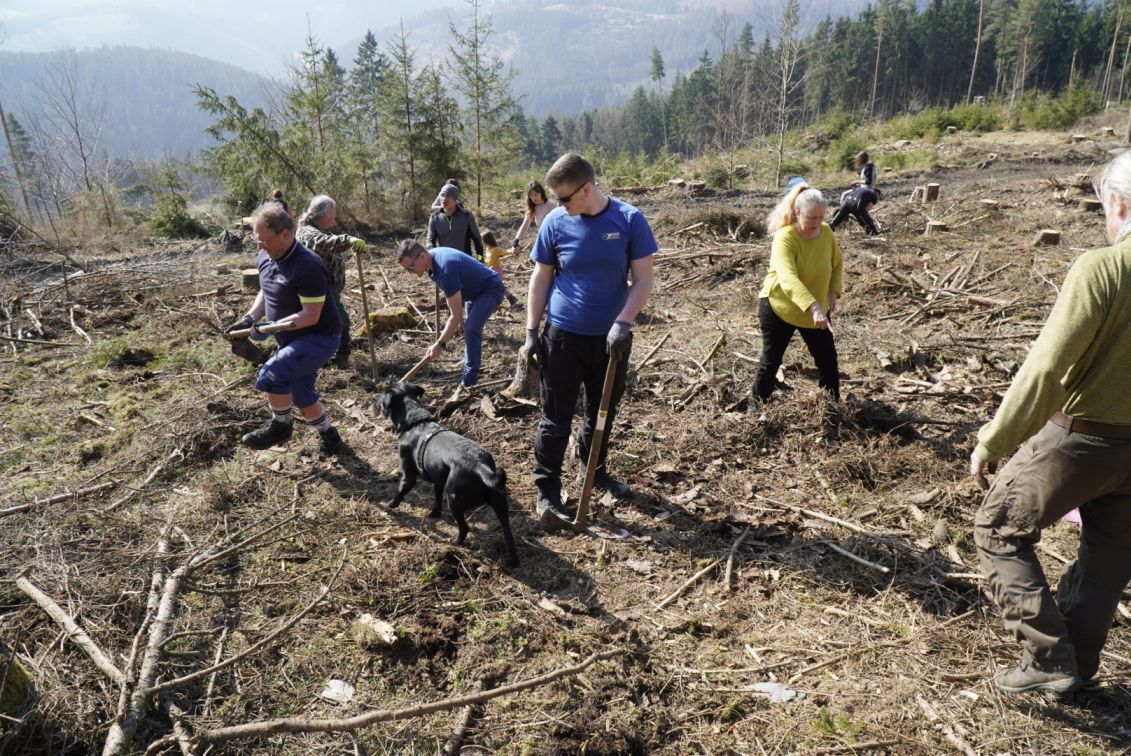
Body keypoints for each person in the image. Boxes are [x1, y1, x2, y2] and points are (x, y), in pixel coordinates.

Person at [969, 150, 1131, 697]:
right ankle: (1077, 666)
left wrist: (996, 438)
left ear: (1118, 202)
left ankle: (1046, 658)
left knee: (997, 528)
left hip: (1081, 438)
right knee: (1110, 554)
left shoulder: (1103, 268)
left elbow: (1046, 366)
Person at [524, 152, 657, 531]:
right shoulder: (554, 221)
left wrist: (623, 322)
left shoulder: (629, 220)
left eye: (564, 198)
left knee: (601, 413)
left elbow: (643, 279)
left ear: (586, 189)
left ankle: (593, 472)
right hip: (563, 336)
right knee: (555, 417)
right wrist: (532, 331)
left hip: (611, 341)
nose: (558, 205)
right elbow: (541, 277)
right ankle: (547, 491)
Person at [226, 202, 342, 454]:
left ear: (285, 234)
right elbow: (266, 292)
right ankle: (329, 435)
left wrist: (269, 328)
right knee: (301, 392)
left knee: (273, 372)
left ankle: (281, 425)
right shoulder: (266, 256)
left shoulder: (308, 266)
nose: (259, 246)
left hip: (319, 337)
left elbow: (311, 316)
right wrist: (249, 318)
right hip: (290, 339)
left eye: (264, 240)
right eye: (256, 240)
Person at [751, 182, 842, 405]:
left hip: (816, 309)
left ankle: (831, 407)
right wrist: (814, 307)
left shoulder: (827, 232)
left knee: (828, 361)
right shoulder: (786, 238)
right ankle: (755, 407)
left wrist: (833, 290)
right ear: (797, 212)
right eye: (811, 218)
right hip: (780, 306)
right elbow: (788, 278)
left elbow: (837, 263)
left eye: (821, 217)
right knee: (771, 361)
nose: (817, 223)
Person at [396, 240, 505, 389]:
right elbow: (454, 295)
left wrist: (440, 345)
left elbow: (453, 315)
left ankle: (469, 382)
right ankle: (469, 366)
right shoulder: (430, 263)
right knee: (468, 330)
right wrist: (459, 318)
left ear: (421, 256)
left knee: (471, 329)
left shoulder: (445, 268)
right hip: (471, 292)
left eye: (411, 267)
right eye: (407, 270)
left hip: (490, 288)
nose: (410, 272)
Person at [295, 194, 366, 366]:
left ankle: (328, 355)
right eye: (333, 214)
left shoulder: (319, 229)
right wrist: (348, 240)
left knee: (329, 323)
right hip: (319, 291)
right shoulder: (308, 232)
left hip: (328, 289)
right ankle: (339, 357)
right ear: (324, 214)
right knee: (340, 322)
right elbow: (324, 243)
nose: (334, 218)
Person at [426, 182, 485, 262]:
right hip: (445, 262)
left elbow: (478, 241)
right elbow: (430, 241)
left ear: (455, 199)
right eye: (442, 195)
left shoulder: (466, 215)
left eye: (448, 196)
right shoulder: (435, 217)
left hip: (464, 263)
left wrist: (480, 261)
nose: (444, 199)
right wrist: (433, 260)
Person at [511, 180, 555, 251]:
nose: (534, 198)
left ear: (541, 193)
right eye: (531, 195)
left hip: (554, 241)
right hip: (542, 241)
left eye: (536, 194)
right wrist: (516, 242)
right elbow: (525, 225)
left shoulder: (551, 205)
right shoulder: (532, 208)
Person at [481, 230, 520, 308]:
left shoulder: (495, 249)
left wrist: (513, 250)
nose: (481, 242)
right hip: (490, 271)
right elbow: (485, 261)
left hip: (496, 271)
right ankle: (510, 298)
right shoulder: (487, 250)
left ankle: (508, 299)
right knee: (497, 287)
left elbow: (506, 252)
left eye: (482, 240)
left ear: (486, 240)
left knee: (496, 287)